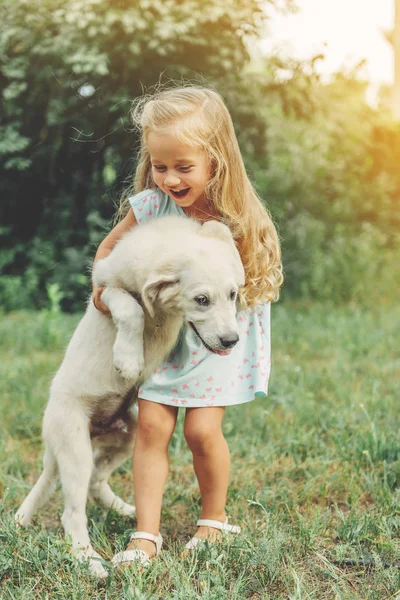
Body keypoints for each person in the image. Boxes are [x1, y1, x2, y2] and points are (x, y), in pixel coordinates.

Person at [92, 86, 283, 567]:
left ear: (215, 159)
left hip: (214, 341)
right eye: (160, 166)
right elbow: (108, 253)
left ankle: (212, 520)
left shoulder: (234, 218)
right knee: (152, 426)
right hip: (163, 339)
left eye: (183, 166)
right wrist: (108, 289)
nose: (170, 178)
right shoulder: (151, 207)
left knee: (201, 432)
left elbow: (246, 282)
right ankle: (145, 535)